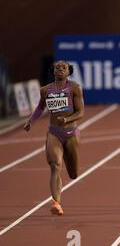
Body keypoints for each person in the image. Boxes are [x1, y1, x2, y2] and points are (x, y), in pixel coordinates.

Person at [24, 60, 85, 215]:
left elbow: (81, 112)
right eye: (57, 67)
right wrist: (30, 121)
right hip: (54, 133)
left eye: (63, 68)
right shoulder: (45, 90)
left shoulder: (74, 88)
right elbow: (40, 107)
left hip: (71, 133)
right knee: (54, 166)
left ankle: (66, 156)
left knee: (73, 174)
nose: (60, 69)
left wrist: (68, 120)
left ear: (68, 71)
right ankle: (56, 203)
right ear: (53, 71)